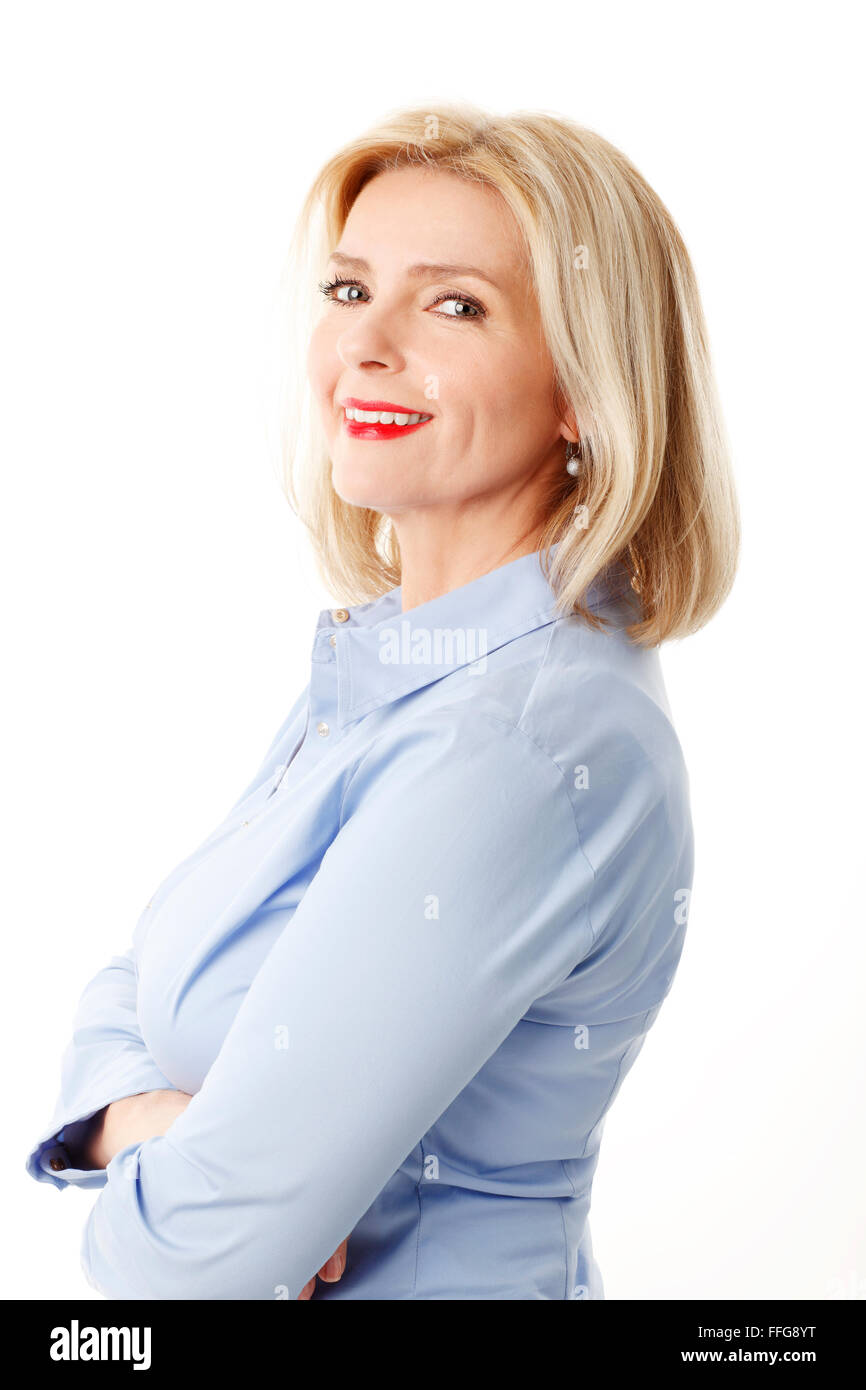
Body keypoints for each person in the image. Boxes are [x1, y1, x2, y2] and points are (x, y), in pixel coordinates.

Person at [25, 102, 739, 1300]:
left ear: (581, 387)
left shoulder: (513, 742)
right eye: (349, 289)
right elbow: (137, 976)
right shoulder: (408, 666)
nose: (365, 343)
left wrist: (163, 1160)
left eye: (454, 304)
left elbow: (181, 1265)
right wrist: (135, 1121)